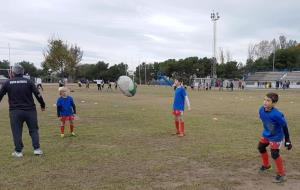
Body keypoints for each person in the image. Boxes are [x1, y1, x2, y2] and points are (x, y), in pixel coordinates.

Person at [0, 64, 45, 158]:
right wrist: (42, 104)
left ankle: (18, 151)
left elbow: (0, 95)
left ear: (13, 72)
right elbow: (38, 94)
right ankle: (37, 149)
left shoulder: (8, 82)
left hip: (15, 112)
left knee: (16, 131)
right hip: (30, 111)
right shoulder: (29, 81)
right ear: (23, 72)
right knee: (33, 130)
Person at [257, 92, 292, 183]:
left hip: (276, 136)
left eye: (268, 100)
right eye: (264, 99)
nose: (265, 102)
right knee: (261, 147)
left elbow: (284, 126)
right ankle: (266, 166)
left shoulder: (277, 114)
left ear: (274, 103)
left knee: (274, 154)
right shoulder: (261, 109)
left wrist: (287, 141)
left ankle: (281, 175)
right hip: (267, 134)